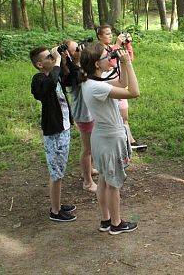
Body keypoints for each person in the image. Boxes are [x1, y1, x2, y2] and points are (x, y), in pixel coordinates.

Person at [80, 43, 139, 235]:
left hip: (102, 137)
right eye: (108, 57)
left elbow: (122, 84)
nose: (111, 59)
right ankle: (116, 223)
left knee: (105, 180)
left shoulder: (91, 82)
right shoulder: (96, 87)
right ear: (97, 64)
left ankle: (106, 220)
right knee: (113, 183)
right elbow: (133, 92)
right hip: (110, 138)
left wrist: (122, 64)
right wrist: (128, 63)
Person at [30, 46, 76, 222]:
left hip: (63, 128)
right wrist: (57, 62)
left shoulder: (55, 75)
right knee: (56, 172)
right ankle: (55, 211)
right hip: (54, 132)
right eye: (49, 56)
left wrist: (64, 59)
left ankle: (56, 203)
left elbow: (73, 78)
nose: (53, 57)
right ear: (40, 64)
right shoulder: (39, 79)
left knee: (60, 169)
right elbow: (48, 86)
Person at [96, 25, 147, 152]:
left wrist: (128, 44)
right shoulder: (99, 50)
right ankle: (125, 142)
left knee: (124, 116)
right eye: (107, 34)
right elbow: (110, 63)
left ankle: (130, 141)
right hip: (108, 83)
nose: (110, 36)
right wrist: (118, 44)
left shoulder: (111, 48)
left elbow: (128, 58)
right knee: (116, 116)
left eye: (110, 33)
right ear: (99, 36)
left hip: (119, 81)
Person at [62, 40, 97, 193]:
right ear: (69, 54)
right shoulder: (71, 72)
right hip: (84, 114)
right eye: (76, 49)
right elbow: (82, 75)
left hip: (91, 111)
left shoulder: (80, 66)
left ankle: (91, 168)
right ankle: (87, 181)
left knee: (93, 145)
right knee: (87, 148)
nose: (80, 49)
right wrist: (73, 61)